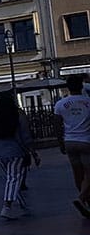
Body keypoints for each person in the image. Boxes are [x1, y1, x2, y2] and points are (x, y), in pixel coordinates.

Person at [0, 93, 37, 219]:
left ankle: (23, 205)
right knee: (14, 178)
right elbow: (25, 135)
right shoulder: (17, 114)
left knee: (11, 179)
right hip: (15, 151)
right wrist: (32, 151)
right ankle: (7, 206)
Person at [55, 73, 90, 218]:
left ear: (68, 88)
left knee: (78, 173)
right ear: (81, 86)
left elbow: (57, 125)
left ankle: (85, 201)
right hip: (86, 140)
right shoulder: (88, 102)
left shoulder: (60, 104)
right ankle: (81, 198)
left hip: (69, 141)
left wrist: (61, 142)